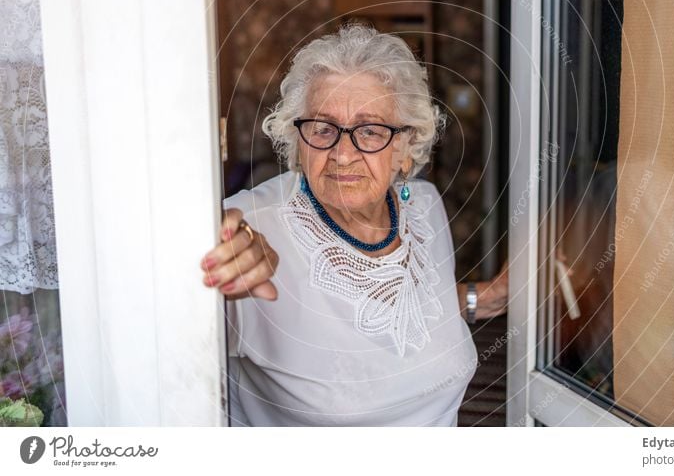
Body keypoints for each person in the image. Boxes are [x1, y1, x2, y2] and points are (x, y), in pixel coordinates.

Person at [199, 24, 509, 426]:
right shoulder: (249, 229)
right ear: (298, 140)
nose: (343, 155)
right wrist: (209, 252)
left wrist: (483, 299)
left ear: (403, 147)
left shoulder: (423, 208)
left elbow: (406, 311)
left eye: (370, 131)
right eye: (323, 129)